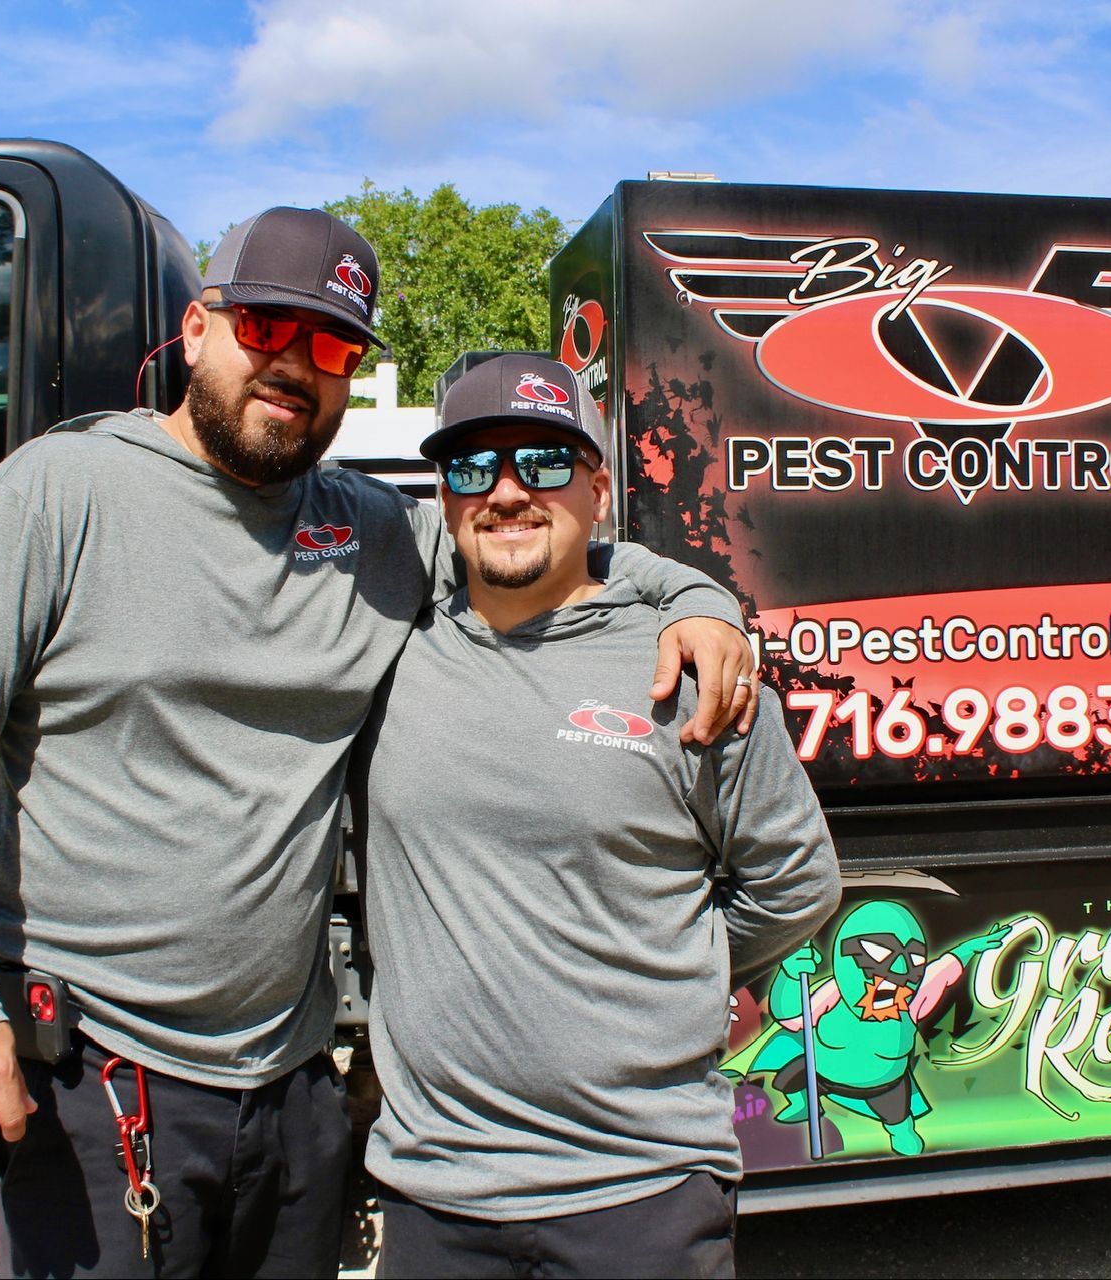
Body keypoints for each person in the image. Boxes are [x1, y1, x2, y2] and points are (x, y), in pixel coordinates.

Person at [0, 209, 757, 1278]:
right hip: (103, 1073)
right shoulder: (60, 494)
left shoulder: (372, 530)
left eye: (332, 345)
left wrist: (704, 599)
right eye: (267, 326)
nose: (295, 363)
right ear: (198, 328)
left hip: (292, 1084)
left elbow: (541, 539)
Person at [356, 353, 842, 1279]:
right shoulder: (385, 654)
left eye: (542, 462)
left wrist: (668, 967)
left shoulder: (694, 673)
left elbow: (796, 881)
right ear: (443, 498)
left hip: (642, 1190)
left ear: (599, 490)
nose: (506, 493)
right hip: (434, 1194)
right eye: (471, 468)